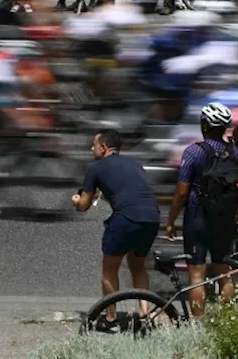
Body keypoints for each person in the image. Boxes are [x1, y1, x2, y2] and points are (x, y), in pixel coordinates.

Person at [72, 129, 161, 333]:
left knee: (110, 268)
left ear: (103, 148)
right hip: (151, 217)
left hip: (125, 218)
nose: (91, 149)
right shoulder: (135, 163)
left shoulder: (95, 167)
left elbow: (84, 206)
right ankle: (144, 315)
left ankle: (111, 319)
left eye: (93, 145)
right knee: (138, 266)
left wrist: (76, 200)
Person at [164, 102, 238, 319]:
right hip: (224, 218)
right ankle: (227, 322)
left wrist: (171, 221)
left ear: (204, 125)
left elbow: (181, 192)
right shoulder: (234, 152)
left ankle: (198, 325)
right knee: (224, 272)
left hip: (197, 215)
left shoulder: (194, 152)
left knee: (197, 274)